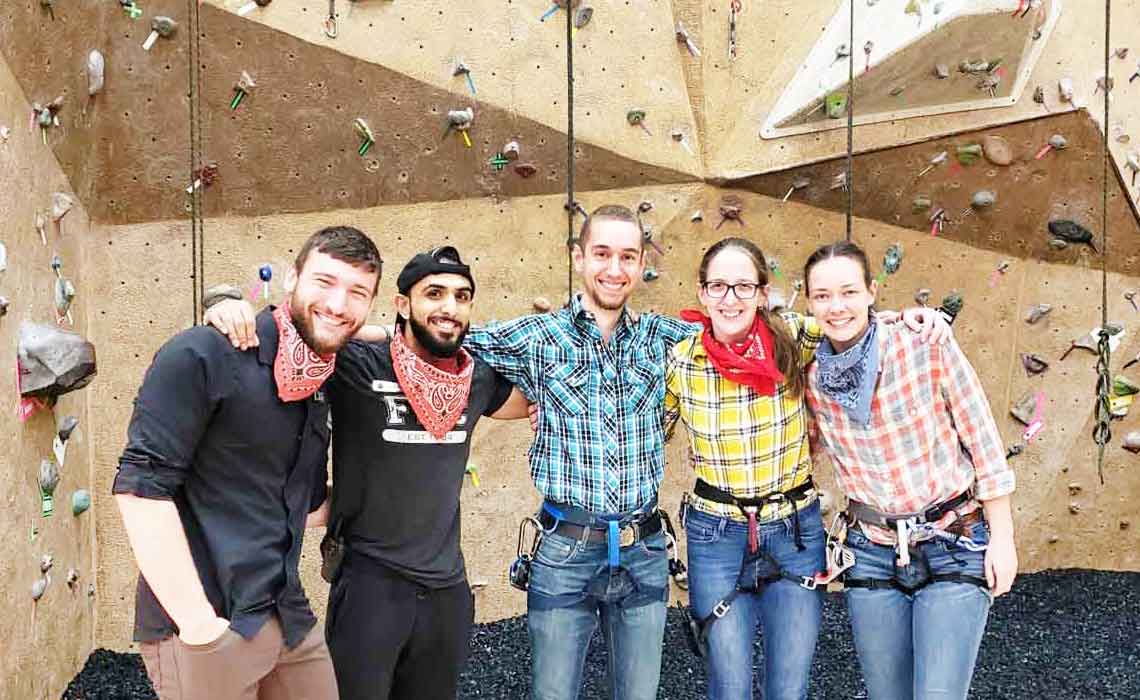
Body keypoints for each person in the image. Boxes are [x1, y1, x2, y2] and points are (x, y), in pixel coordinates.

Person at [203, 245, 529, 700]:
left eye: (461, 296)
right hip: (370, 586)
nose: (449, 307)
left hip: (446, 592)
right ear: (402, 304)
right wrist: (228, 308)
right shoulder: (358, 363)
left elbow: (535, 405)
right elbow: (287, 336)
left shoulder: (477, 377)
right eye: (434, 293)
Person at [664, 237, 950, 700]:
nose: (729, 298)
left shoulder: (795, 337)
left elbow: (856, 327)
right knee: (729, 684)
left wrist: (911, 317)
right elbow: (647, 428)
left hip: (794, 531)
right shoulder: (682, 361)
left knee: (789, 686)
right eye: (718, 286)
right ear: (701, 293)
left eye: (742, 287)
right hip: (715, 534)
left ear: (761, 293)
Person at [113, 226, 383, 700]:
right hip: (209, 623)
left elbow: (310, 508)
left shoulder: (318, 380)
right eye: (325, 282)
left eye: (357, 292)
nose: (339, 305)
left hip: (287, 614)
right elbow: (139, 491)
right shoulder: (204, 353)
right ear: (292, 278)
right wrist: (199, 626)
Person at [801, 240, 1017, 700]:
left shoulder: (925, 344)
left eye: (848, 292)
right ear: (808, 302)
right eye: (822, 296)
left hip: (951, 540)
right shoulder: (813, 376)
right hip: (873, 552)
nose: (836, 306)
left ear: (871, 291)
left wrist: (1003, 539)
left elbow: (983, 441)